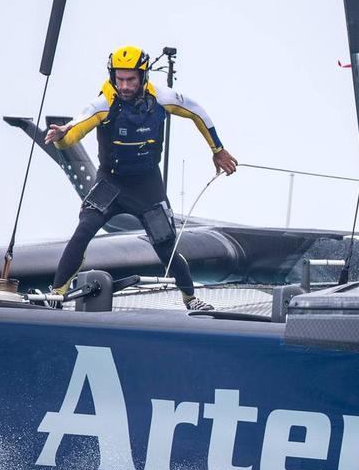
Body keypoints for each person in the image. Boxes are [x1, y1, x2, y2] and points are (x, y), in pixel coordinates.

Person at [45, 45, 238, 310]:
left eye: (131, 79)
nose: (124, 86)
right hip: (110, 183)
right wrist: (61, 138)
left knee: (165, 245)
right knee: (83, 231)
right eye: (120, 79)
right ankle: (56, 294)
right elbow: (76, 128)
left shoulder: (161, 97)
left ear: (143, 76)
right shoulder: (104, 102)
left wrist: (218, 150)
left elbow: (197, 112)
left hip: (147, 184)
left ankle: (190, 300)